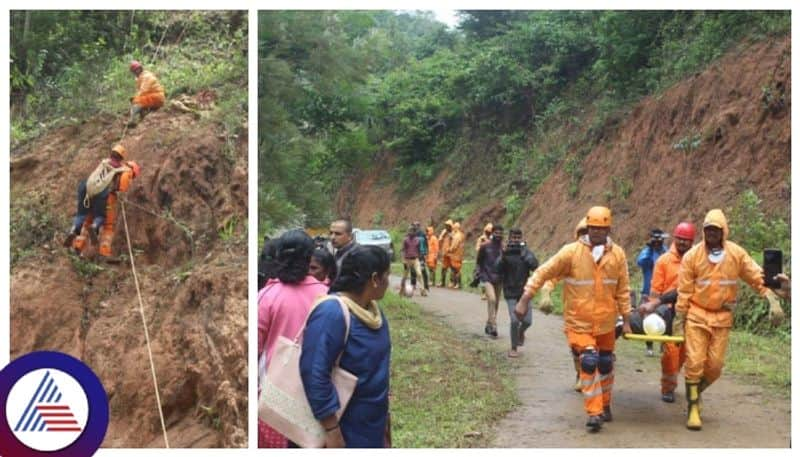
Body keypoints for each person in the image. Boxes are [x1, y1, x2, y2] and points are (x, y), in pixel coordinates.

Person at [515, 206, 632, 432]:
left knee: (606, 363)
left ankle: (605, 405)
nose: (596, 232)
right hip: (579, 322)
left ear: (608, 229)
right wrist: (525, 298)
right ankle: (594, 412)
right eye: (593, 228)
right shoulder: (571, 252)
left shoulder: (617, 254)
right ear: (587, 227)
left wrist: (626, 320)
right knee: (589, 361)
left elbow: (623, 289)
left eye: (601, 229)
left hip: (606, 322)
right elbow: (543, 272)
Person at [675, 209, 784, 430]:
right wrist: (680, 320)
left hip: (722, 316)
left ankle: (695, 391)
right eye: (708, 230)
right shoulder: (692, 256)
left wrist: (772, 299)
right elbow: (684, 291)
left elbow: (757, 277)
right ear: (704, 231)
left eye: (716, 230)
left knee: (714, 367)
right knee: (694, 362)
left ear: (724, 231)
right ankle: (693, 407)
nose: (712, 234)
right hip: (697, 314)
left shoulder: (736, 254)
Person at [300, 245, 392, 447]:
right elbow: (314, 373)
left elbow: (378, 370)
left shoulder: (375, 313)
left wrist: (385, 418)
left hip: (370, 427)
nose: (388, 282)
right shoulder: (331, 313)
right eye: (387, 276)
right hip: (342, 430)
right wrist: (332, 430)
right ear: (375, 279)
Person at [257, 230, 328, 448]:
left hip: (274, 393)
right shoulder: (328, 295)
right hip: (316, 392)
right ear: (309, 259)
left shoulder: (268, 296)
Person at [637, 222, 696, 403]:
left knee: (687, 353)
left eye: (687, 240)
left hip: (692, 313)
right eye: (680, 239)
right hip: (668, 312)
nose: (683, 243)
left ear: (692, 242)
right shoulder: (664, 261)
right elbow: (656, 291)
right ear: (675, 239)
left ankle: (677, 380)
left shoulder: (696, 260)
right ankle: (668, 388)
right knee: (671, 352)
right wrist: (653, 309)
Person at [538, 217, 589, 391]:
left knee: (594, 352)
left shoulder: (606, 255)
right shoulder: (570, 256)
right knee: (576, 348)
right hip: (574, 313)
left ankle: (590, 377)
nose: (586, 237)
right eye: (582, 233)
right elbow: (552, 276)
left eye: (588, 233)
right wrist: (546, 292)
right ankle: (580, 373)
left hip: (597, 314)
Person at [66, 144, 141, 260]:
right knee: (108, 226)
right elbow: (121, 189)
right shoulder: (127, 172)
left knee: (87, 221)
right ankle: (104, 252)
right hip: (108, 199)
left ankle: (77, 246)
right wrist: (121, 196)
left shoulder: (107, 164)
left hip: (92, 195)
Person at [495, 228, 539, 357]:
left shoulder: (526, 252)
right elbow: (497, 269)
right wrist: (503, 256)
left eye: (518, 238)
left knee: (528, 321)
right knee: (514, 320)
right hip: (510, 292)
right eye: (513, 237)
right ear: (509, 239)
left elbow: (535, 266)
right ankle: (513, 348)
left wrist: (525, 253)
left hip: (525, 292)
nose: (515, 240)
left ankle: (521, 332)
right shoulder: (505, 253)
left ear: (521, 239)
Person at [636, 228, 668, 356]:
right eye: (655, 240)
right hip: (648, 291)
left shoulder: (666, 252)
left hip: (664, 292)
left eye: (659, 240)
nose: (657, 243)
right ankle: (649, 347)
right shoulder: (647, 252)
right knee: (648, 319)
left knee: (666, 317)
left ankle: (663, 345)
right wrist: (650, 250)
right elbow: (641, 262)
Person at [476, 225, 504, 338]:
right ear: (492, 233)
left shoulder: (503, 247)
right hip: (487, 277)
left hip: (500, 278)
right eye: (496, 232)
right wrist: (478, 273)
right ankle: (493, 325)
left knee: (496, 303)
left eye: (500, 233)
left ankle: (489, 323)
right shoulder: (485, 246)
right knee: (491, 299)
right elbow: (479, 261)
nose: (499, 235)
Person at [127, 60, 165, 128]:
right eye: (134, 71)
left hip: (157, 97)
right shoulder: (142, 77)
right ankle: (143, 114)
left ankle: (133, 120)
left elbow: (143, 90)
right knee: (139, 100)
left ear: (140, 69)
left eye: (136, 70)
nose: (136, 72)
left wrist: (135, 98)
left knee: (136, 101)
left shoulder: (146, 76)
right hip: (154, 97)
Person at [400, 224, 427, 296]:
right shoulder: (405, 240)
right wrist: (403, 261)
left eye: (412, 231)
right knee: (405, 276)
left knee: (419, 274)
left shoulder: (417, 240)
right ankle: (402, 290)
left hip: (415, 259)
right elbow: (402, 250)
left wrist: (421, 259)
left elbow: (419, 250)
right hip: (407, 260)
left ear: (414, 232)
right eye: (409, 231)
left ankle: (423, 291)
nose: (410, 232)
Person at [409, 221, 430, 293]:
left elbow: (426, 244)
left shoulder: (422, 234)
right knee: (412, 270)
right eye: (414, 226)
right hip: (413, 255)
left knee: (423, 270)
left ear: (419, 226)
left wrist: (426, 253)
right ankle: (413, 284)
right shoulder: (412, 234)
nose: (415, 227)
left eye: (416, 226)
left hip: (421, 255)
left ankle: (426, 286)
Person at [475, 223, 493, 300]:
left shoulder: (494, 239)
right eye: (487, 231)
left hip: (491, 261)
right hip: (482, 260)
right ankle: (483, 293)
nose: (488, 233)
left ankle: (488, 293)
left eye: (490, 231)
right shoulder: (481, 239)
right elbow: (477, 248)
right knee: (482, 277)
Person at [447, 222, 466, 289]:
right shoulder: (459, 234)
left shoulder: (457, 236)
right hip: (457, 254)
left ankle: (458, 283)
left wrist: (449, 249)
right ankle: (454, 283)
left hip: (456, 255)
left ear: (455, 228)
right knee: (453, 269)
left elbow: (454, 246)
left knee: (456, 269)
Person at [438, 220, 454, 287]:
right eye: (446, 225)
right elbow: (440, 240)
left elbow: (456, 241)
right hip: (445, 252)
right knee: (444, 268)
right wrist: (443, 235)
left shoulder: (453, 232)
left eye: (448, 226)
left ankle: (451, 282)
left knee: (452, 268)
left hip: (451, 253)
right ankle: (442, 281)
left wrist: (451, 236)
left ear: (451, 226)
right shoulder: (444, 232)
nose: (447, 227)